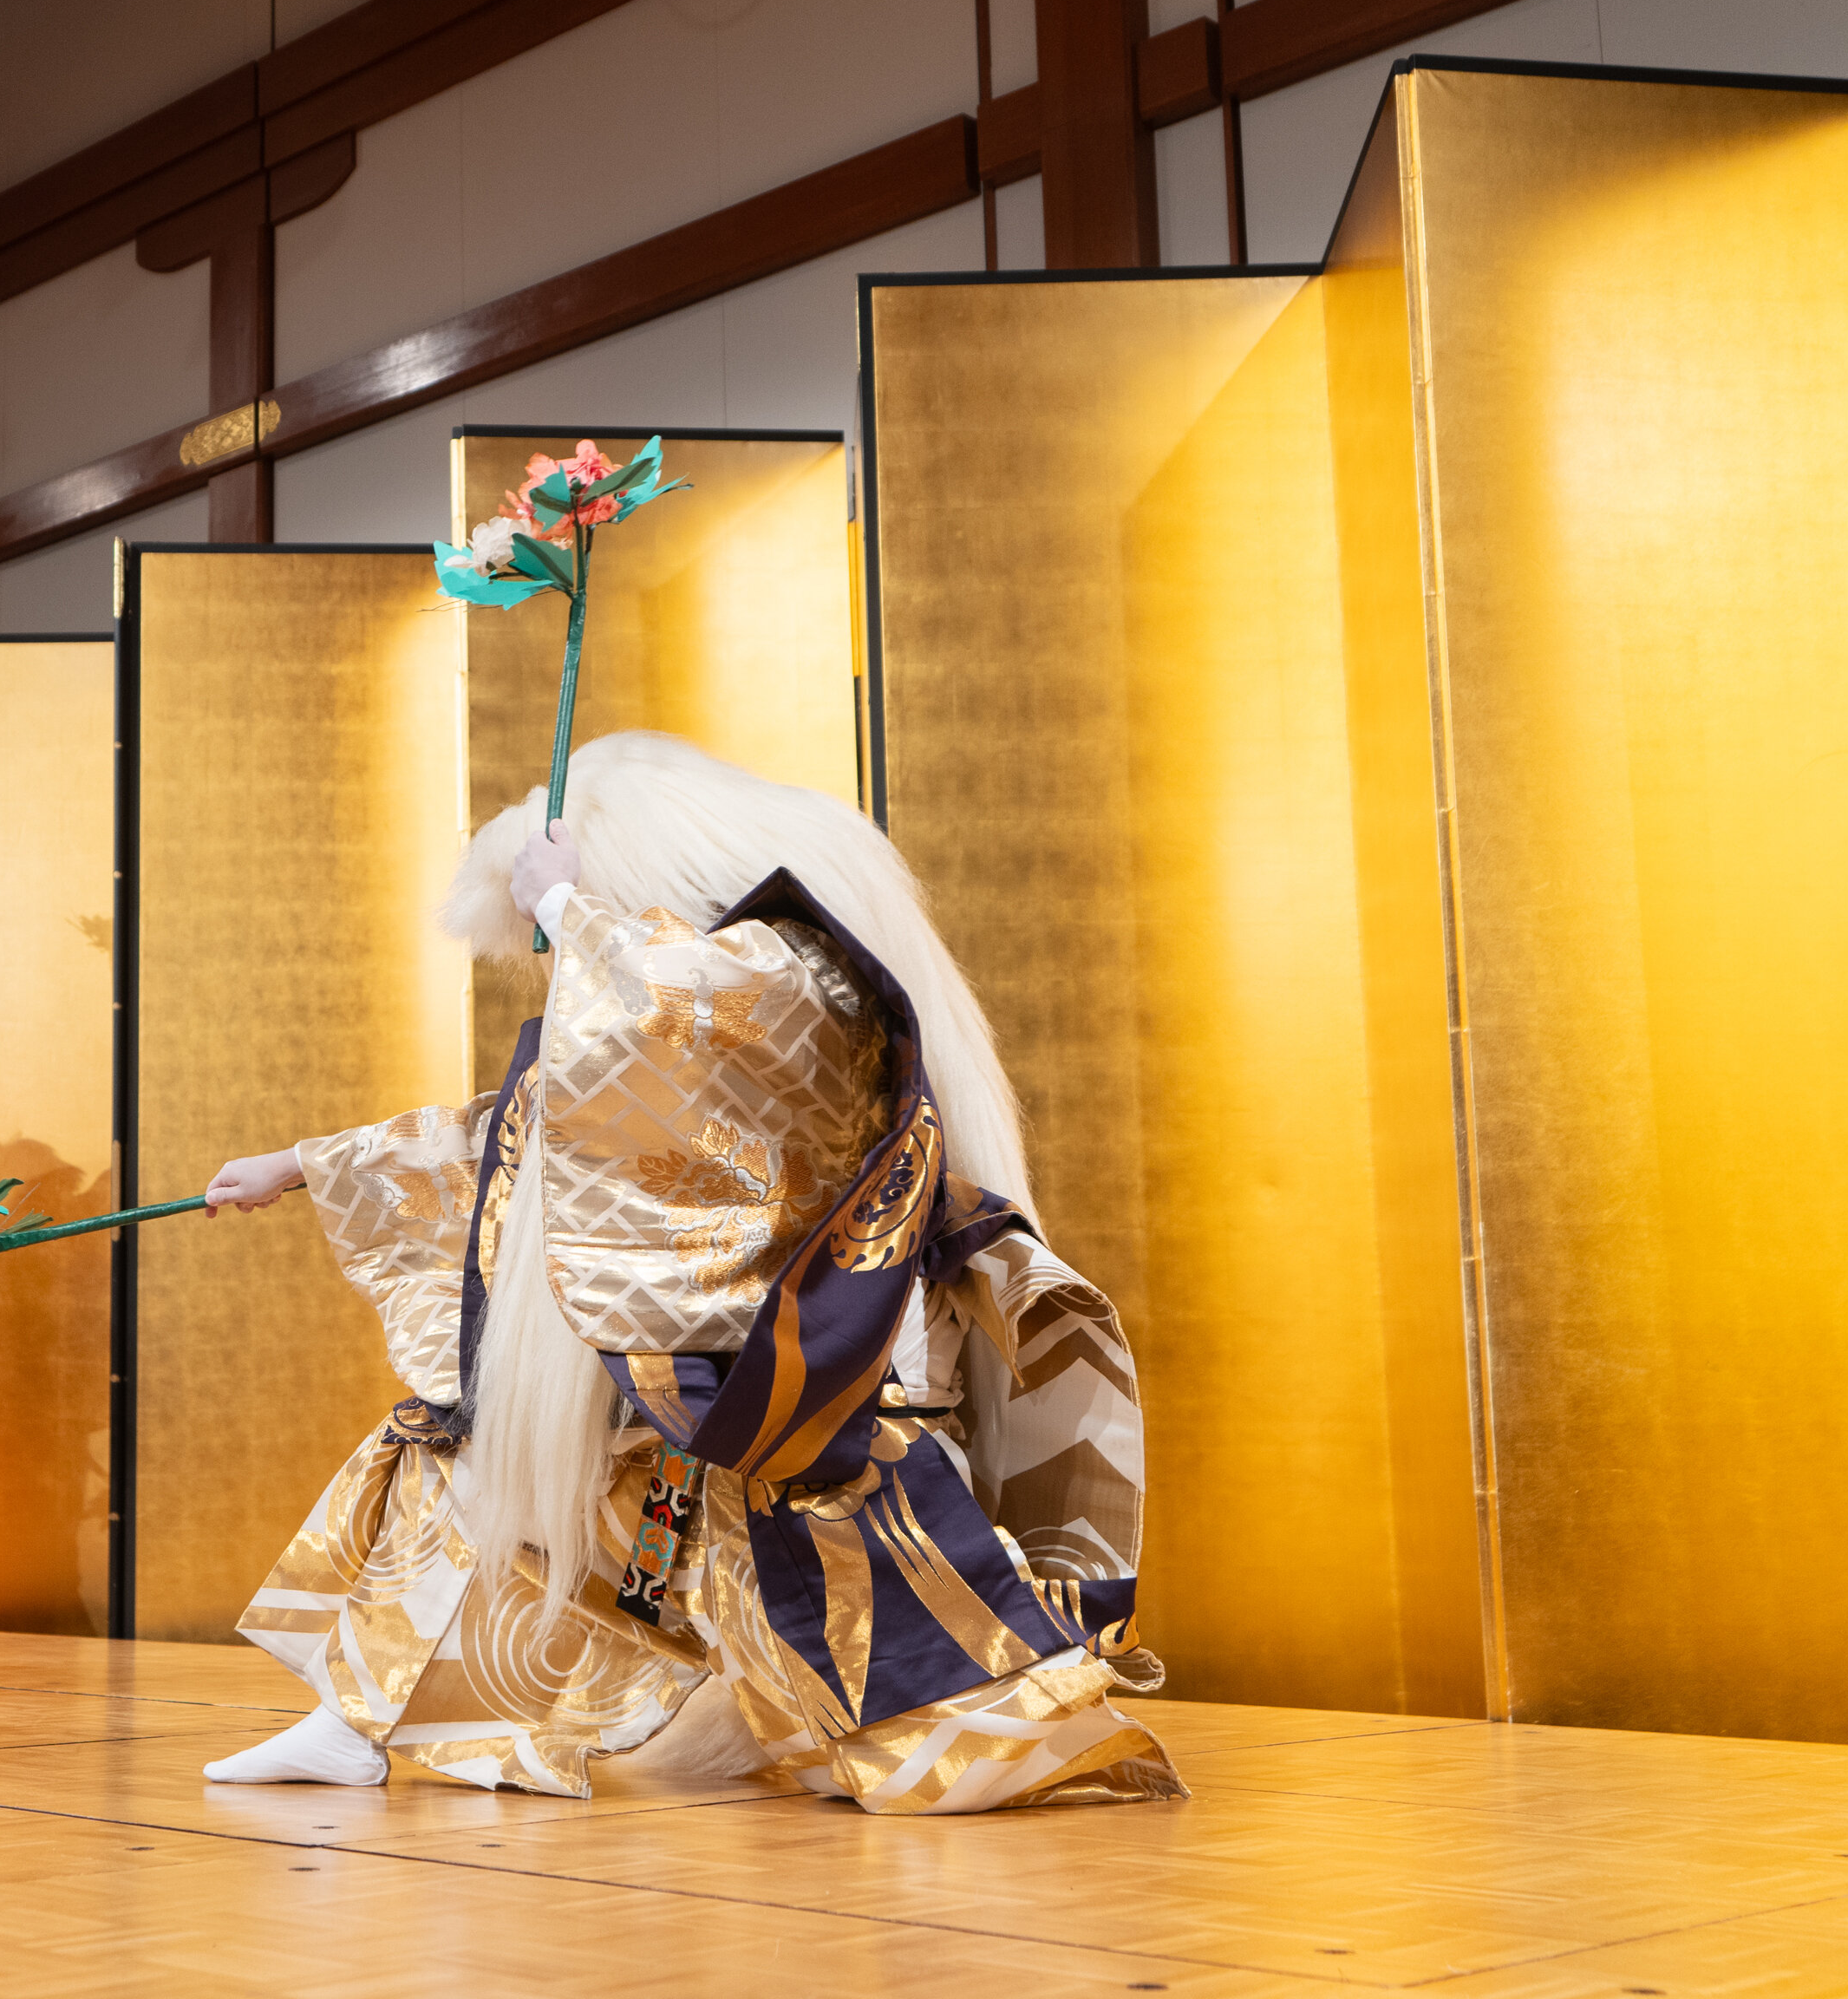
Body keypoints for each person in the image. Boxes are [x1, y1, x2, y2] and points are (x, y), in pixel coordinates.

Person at [200, 732, 1182, 1814]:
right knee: (463, 1462)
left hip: (817, 1349)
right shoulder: (657, 996)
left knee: (869, 1634)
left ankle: (996, 1739)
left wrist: (573, 912)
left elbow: (692, 1019)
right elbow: (529, 1136)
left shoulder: (798, 971)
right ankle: (354, 1720)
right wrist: (302, 1164)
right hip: (689, 1345)